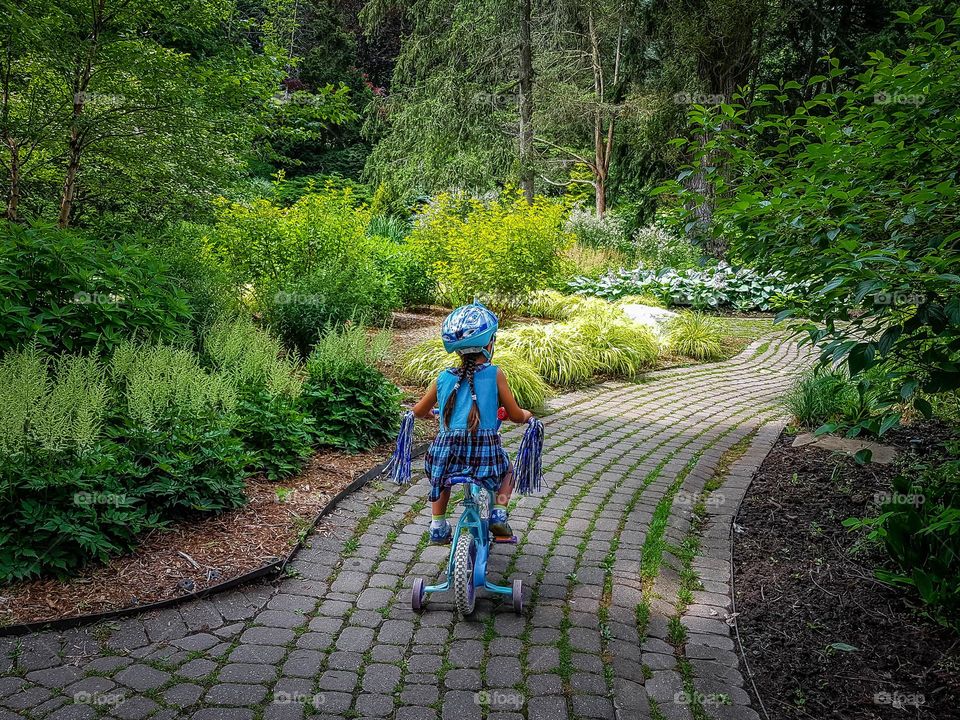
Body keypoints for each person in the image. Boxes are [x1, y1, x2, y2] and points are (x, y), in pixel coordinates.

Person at [412, 302, 534, 543]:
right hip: (485, 454)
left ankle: (437, 525)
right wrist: (527, 416)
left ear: (457, 351)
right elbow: (516, 414)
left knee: (441, 477)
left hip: (446, 453)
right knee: (508, 470)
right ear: (489, 344)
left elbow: (418, 410)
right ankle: (499, 512)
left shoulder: (443, 377)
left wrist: (428, 414)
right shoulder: (495, 374)